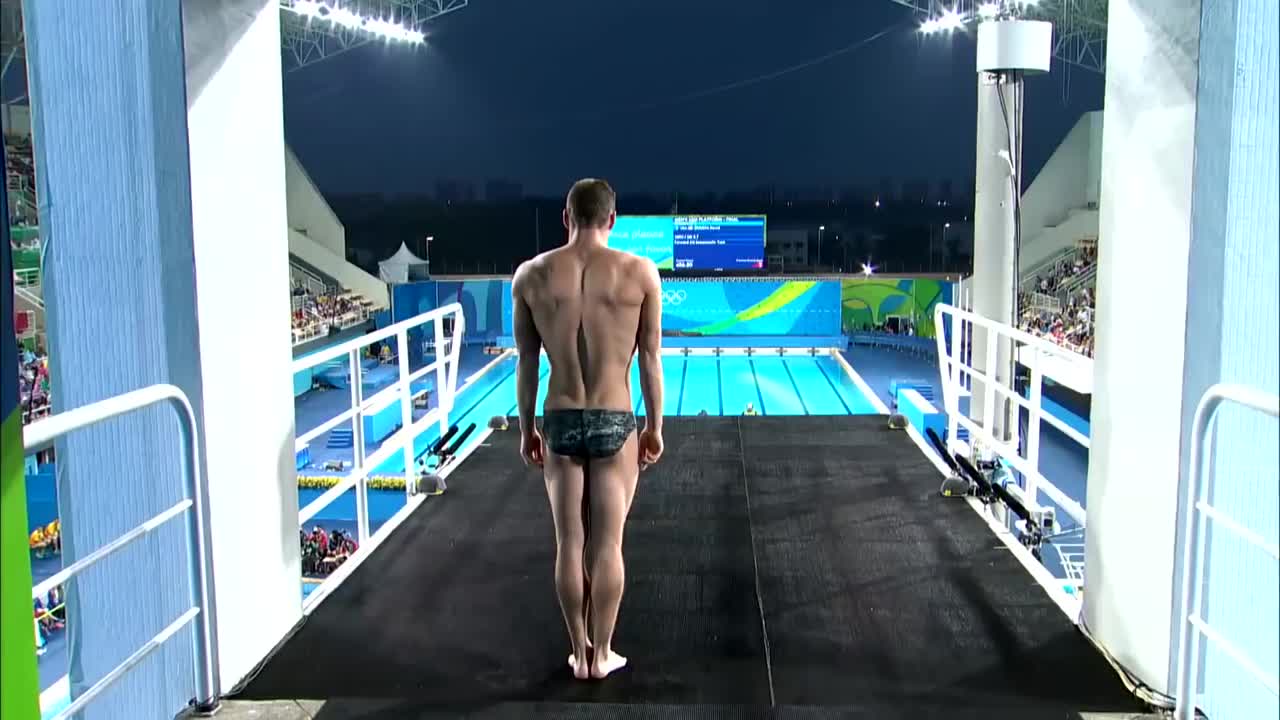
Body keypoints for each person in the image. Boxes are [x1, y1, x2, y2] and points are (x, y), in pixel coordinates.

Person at [511, 178, 665, 681]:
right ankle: (604, 655)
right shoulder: (640, 272)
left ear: (566, 217)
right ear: (612, 220)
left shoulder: (531, 275)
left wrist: (526, 429)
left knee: (570, 542)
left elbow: (527, 364)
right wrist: (654, 428)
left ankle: (578, 652)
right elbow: (650, 359)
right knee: (609, 544)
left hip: (558, 416)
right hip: (615, 418)